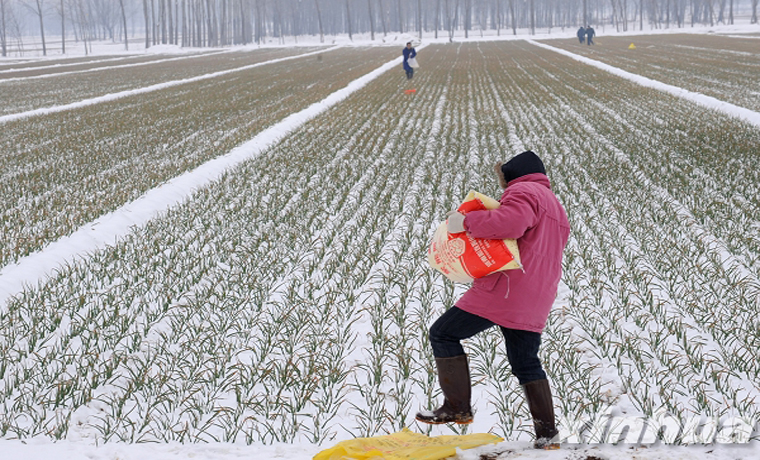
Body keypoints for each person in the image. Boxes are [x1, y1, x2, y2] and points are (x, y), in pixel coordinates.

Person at [415, 151, 570, 451]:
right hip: (536, 295)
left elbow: (510, 223)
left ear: (512, 176)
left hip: (507, 289)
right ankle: (548, 434)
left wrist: (466, 222)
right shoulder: (555, 206)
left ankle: (457, 407)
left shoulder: (524, 191)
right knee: (526, 362)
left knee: (443, 332)